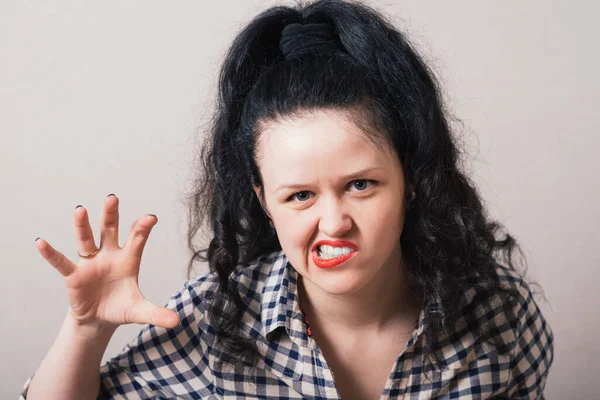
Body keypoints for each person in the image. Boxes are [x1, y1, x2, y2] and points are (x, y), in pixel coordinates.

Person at [21, 0, 554, 398]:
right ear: (264, 202)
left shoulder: (498, 315)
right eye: (300, 195)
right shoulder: (216, 319)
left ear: (410, 178)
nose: (334, 222)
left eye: (360, 185)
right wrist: (87, 330)